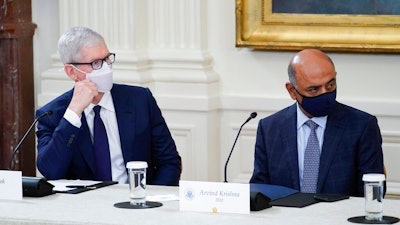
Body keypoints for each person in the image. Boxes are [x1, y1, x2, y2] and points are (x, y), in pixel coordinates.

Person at [35, 26, 181, 186]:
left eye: (107, 59)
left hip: (136, 202)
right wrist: (74, 112)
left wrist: (150, 200)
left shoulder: (140, 100)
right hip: (83, 206)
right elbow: (50, 170)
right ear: (72, 72)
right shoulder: (51, 114)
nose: (106, 67)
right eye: (96, 63)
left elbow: (170, 162)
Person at [250, 49, 384, 197]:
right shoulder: (270, 128)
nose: (324, 94)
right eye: (313, 89)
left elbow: (372, 193)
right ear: (292, 91)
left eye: (330, 85)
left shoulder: (362, 126)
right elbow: (260, 189)